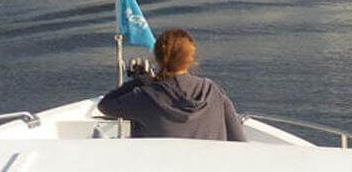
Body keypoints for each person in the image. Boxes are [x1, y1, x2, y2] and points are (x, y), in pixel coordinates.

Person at [98, 28, 246, 141]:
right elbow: (238, 139)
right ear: (191, 59)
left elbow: (105, 105)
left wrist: (141, 81)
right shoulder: (213, 91)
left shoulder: (145, 97)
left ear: (157, 58)